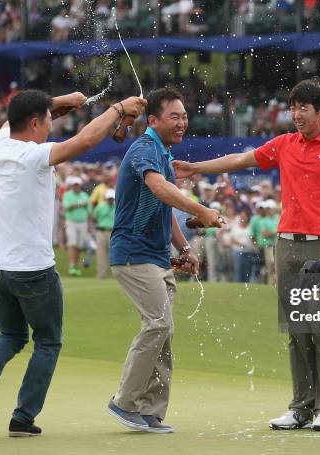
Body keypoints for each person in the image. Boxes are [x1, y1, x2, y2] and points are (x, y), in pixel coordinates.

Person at [173, 79, 320, 431]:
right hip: (286, 242)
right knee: (295, 327)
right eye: (293, 107)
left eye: (304, 108)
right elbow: (239, 159)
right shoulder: (285, 143)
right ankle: (301, 405)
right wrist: (196, 168)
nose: (296, 114)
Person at [0, 88, 146, 437]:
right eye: (47, 119)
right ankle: (22, 417)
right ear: (35, 123)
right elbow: (82, 142)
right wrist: (117, 109)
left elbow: (23, 116)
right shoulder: (35, 155)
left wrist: (65, 101)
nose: (51, 124)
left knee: (11, 333)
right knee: (48, 340)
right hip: (33, 269)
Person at [107, 87, 222, 434]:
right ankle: (124, 403)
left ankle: (149, 411)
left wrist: (184, 249)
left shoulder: (163, 153)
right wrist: (201, 209)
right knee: (158, 324)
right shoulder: (144, 147)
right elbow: (158, 189)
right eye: (175, 116)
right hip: (132, 254)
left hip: (156, 256)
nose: (183, 122)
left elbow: (165, 207)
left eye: (185, 115)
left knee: (164, 331)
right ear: (153, 120)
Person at [63, 175, 90, 276]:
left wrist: (90, 223)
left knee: (79, 246)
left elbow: (89, 209)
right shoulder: (67, 195)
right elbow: (67, 207)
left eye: (77, 185)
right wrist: (79, 205)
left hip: (83, 222)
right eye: (74, 185)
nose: (76, 187)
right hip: (71, 222)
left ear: (80, 186)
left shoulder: (84, 195)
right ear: (71, 186)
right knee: (72, 243)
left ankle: (75, 266)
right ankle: (71, 266)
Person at [92, 188, 116, 279]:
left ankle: (115, 275)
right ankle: (101, 274)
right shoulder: (100, 207)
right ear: (106, 198)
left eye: (112, 198)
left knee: (114, 254)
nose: (110, 200)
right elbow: (94, 217)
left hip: (113, 232)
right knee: (101, 254)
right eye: (109, 198)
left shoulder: (117, 206)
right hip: (101, 231)